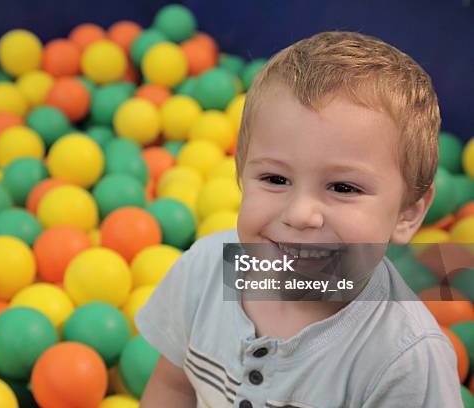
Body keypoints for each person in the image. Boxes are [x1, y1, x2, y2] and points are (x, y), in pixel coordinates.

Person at [135, 31, 464, 407]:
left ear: (408, 213)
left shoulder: (405, 360)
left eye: (343, 188)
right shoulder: (205, 270)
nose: (299, 214)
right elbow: (173, 387)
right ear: (241, 174)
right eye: (275, 179)